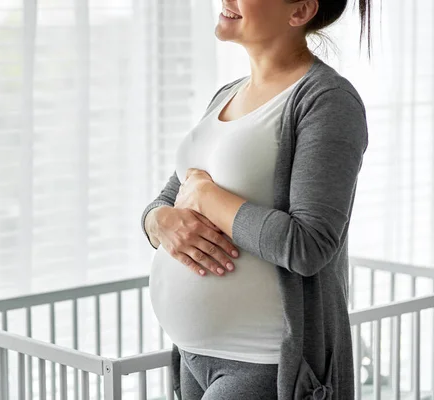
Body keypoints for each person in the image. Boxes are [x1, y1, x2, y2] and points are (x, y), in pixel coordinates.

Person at [140, 0, 372, 399]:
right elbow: (172, 196)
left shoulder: (327, 101)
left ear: (299, 11)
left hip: (264, 362)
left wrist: (210, 199)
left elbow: (309, 245)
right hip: (193, 355)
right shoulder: (226, 95)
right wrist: (158, 221)